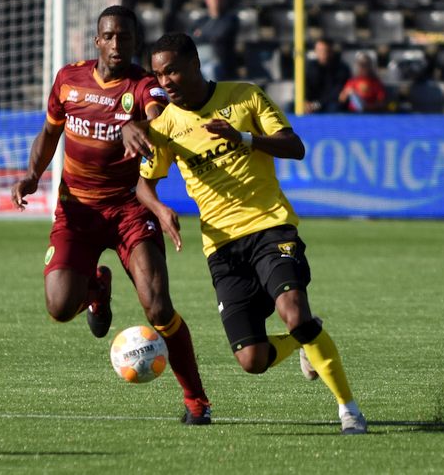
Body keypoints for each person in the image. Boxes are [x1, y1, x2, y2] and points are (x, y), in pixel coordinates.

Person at [122, 33, 367, 435]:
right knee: (252, 360)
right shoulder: (163, 127)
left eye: (171, 71)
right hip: (222, 248)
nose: (164, 81)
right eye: (157, 74)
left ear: (195, 65)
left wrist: (245, 139)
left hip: (270, 225)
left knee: (293, 311)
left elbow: (294, 146)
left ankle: (349, 410)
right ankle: (304, 338)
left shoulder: (245, 97)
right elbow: (143, 184)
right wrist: (160, 208)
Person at [11, 7, 211, 425]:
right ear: (97, 40)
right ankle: (96, 288)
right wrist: (32, 175)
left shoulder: (144, 87)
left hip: (129, 210)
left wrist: (138, 129)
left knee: (158, 309)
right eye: (109, 36)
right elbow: (50, 133)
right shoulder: (69, 80)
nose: (117, 44)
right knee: (60, 307)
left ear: (135, 41)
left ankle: (196, 401)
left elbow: (159, 123)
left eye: (125, 37)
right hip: (76, 210)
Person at [190, 0, 240, 81]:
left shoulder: (230, 19)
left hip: (219, 62)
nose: (215, 1)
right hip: (199, 60)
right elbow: (189, 39)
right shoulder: (201, 21)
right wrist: (206, 36)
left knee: (210, 70)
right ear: (206, 0)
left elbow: (219, 36)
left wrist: (201, 34)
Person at [304, 38, 351, 113]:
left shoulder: (341, 68)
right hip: (311, 103)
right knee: (289, 106)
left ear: (331, 52)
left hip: (330, 103)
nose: (323, 53)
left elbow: (336, 93)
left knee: (335, 108)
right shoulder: (309, 67)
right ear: (315, 51)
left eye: (325, 50)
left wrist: (316, 105)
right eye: (319, 50)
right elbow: (302, 87)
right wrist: (305, 101)